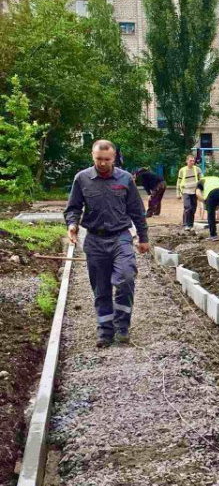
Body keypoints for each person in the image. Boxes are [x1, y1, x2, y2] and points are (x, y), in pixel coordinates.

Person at [64, 140, 149, 347]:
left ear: (114, 158)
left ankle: (122, 326)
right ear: (92, 157)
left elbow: (137, 211)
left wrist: (144, 238)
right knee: (100, 287)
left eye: (107, 159)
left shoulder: (125, 179)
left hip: (120, 236)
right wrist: (72, 225)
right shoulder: (82, 179)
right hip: (94, 239)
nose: (103, 163)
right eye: (98, 159)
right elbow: (73, 208)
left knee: (126, 277)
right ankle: (105, 329)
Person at [196, 175, 219, 242]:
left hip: (212, 193)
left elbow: (198, 194)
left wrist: (204, 201)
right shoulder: (216, 178)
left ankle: (213, 235)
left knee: (211, 215)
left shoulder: (200, 182)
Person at [177, 155, 203, 231]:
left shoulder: (197, 169)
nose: (192, 162)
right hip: (185, 191)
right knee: (187, 207)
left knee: (193, 209)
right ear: (187, 161)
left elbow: (201, 180)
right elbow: (178, 182)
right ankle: (186, 224)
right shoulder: (182, 170)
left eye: (193, 161)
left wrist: (201, 190)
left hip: (195, 192)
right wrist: (178, 193)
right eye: (190, 160)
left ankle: (190, 224)